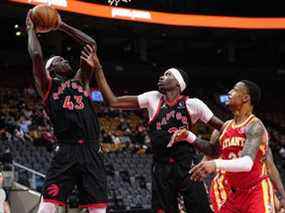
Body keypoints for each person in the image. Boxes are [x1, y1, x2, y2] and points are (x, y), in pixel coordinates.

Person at [80, 45, 223, 212]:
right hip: (160, 168)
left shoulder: (194, 104)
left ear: (178, 83)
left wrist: (211, 150)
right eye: (163, 74)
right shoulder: (153, 98)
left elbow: (224, 126)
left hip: (186, 167)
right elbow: (113, 101)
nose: (162, 77)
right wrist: (98, 69)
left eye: (168, 75)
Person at [26, 11, 107, 213]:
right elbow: (36, 55)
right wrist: (30, 30)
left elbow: (92, 45)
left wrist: (61, 25)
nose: (65, 60)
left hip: (91, 149)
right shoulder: (47, 85)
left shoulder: (81, 81)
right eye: (59, 59)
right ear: (51, 68)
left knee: (98, 209)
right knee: (47, 206)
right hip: (66, 149)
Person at [169, 80, 284, 212]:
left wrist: (216, 164)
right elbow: (213, 151)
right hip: (233, 193)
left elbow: (247, 163)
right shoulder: (225, 127)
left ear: (246, 98)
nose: (229, 92)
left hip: (256, 191)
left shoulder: (255, 126)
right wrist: (189, 136)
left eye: (234, 90)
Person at [208, 132, 285, 213]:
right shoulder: (226, 130)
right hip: (225, 185)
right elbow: (211, 150)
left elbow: (270, 167)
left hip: (250, 187)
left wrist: (282, 198)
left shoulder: (260, 137)